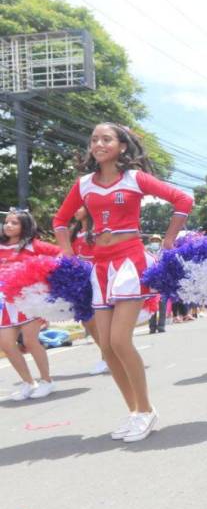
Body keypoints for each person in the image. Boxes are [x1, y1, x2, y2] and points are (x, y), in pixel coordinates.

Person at [53, 123, 193, 442]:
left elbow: (183, 200)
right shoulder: (84, 184)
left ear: (122, 147)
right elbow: (60, 220)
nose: (99, 144)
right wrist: (66, 253)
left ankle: (146, 409)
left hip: (129, 261)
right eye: (94, 139)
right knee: (105, 346)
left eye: (106, 139)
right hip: (99, 266)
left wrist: (169, 239)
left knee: (119, 340)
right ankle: (135, 413)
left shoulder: (134, 179)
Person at [0, 209, 60, 400]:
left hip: (28, 300)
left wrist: (43, 278)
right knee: (7, 344)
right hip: (5, 302)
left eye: (14, 223)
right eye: (7, 222)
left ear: (24, 226)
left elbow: (61, 255)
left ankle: (47, 380)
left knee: (30, 341)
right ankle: (28, 382)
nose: (8, 225)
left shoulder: (34, 245)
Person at [69, 206, 109, 374]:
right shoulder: (73, 232)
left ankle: (107, 357)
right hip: (80, 280)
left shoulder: (97, 230)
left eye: (79, 206)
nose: (75, 210)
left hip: (97, 276)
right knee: (88, 321)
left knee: (100, 320)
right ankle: (108, 355)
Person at [145, 234, 167, 334]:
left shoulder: (164, 252)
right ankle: (152, 327)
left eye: (157, 240)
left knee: (162, 304)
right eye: (153, 240)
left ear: (160, 242)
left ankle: (161, 326)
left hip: (162, 280)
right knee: (151, 303)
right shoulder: (146, 252)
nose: (155, 242)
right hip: (150, 280)